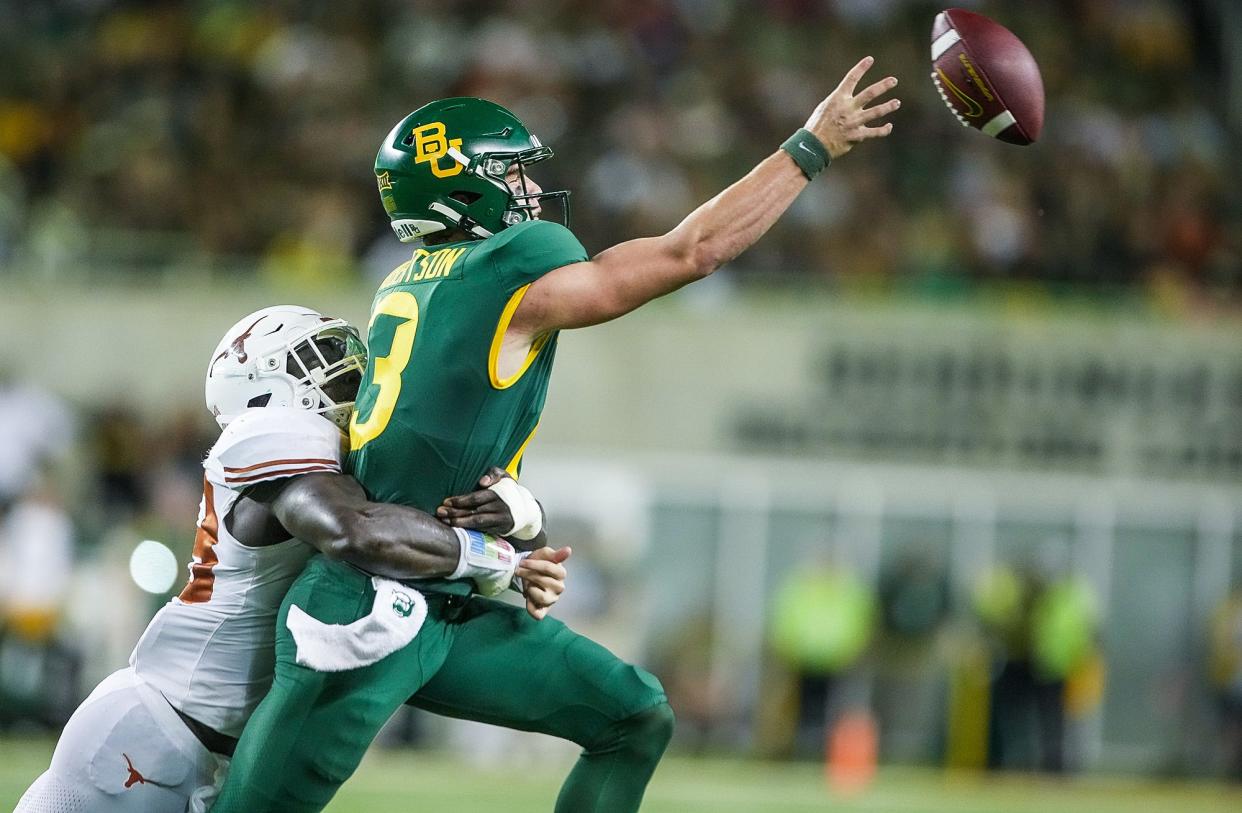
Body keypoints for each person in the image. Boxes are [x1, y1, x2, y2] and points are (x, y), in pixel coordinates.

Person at [213, 56, 899, 812]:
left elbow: (436, 441)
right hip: (366, 606)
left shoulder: (410, 278)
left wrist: (512, 536)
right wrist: (809, 149)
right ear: (463, 187)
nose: (532, 191)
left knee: (632, 712)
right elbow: (691, 252)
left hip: (442, 590)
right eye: (512, 174)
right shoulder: (505, 264)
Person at [15, 305, 567, 813]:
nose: (351, 371)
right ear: (262, 391)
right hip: (157, 728)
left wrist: (522, 517)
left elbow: (437, 526)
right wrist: (496, 559)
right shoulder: (272, 437)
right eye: (321, 360)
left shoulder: (345, 460)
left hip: (225, 746)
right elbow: (359, 533)